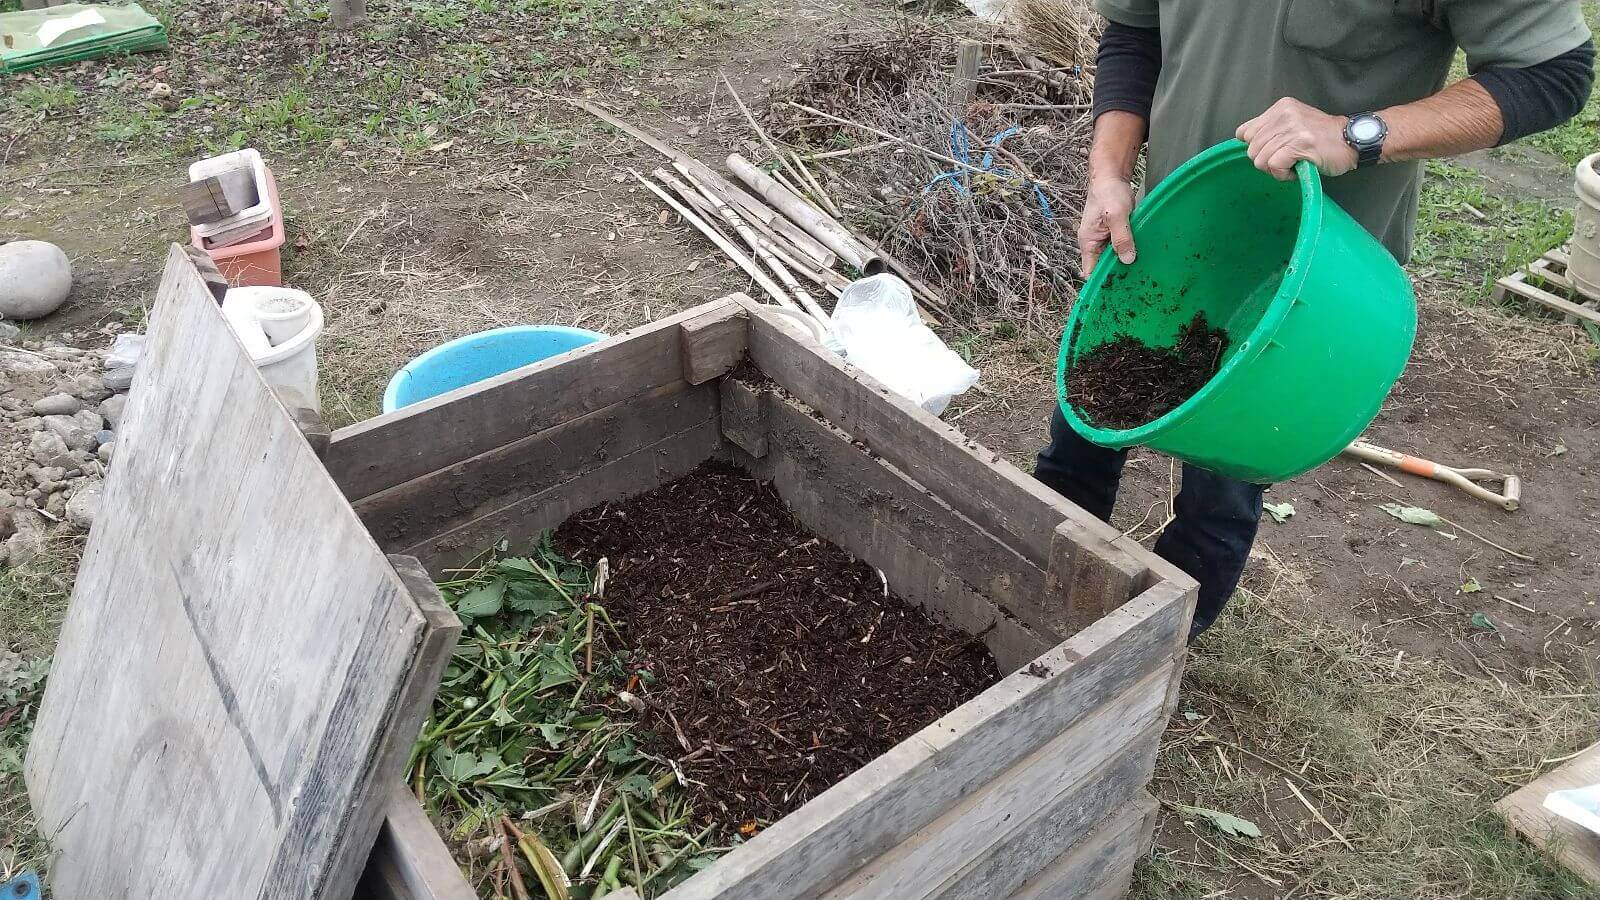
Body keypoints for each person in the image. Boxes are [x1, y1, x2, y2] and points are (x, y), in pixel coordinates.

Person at [1036, 0, 1595, 638]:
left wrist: (1356, 134)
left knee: (1219, 497)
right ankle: (1035, 605)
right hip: (1173, 234)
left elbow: (1555, 71)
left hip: (1303, 274)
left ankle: (1136, 660)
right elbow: (1134, 33)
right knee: (1080, 438)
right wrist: (1107, 174)